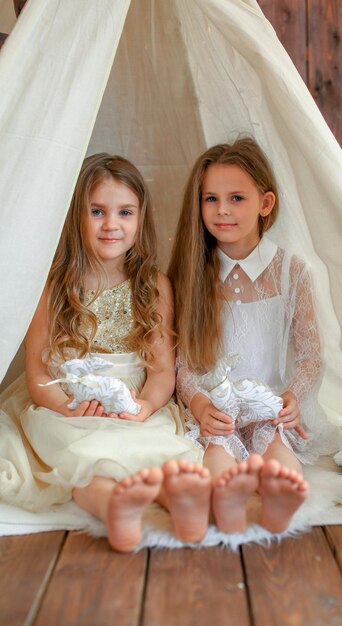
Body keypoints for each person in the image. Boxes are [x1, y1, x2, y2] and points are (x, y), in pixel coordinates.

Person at [0, 153, 211, 552]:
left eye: (124, 212)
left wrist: (146, 406)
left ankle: (180, 503)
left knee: (161, 453)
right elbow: (39, 373)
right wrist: (66, 408)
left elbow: (163, 370)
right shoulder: (52, 288)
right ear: (77, 216)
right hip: (68, 404)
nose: (111, 224)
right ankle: (114, 507)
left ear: (140, 218)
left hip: (132, 404)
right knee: (81, 457)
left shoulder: (154, 286)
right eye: (97, 211)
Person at [168, 137, 342, 535]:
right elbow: (181, 360)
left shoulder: (290, 272)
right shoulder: (190, 274)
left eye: (236, 198)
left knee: (278, 451)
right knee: (216, 454)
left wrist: (292, 398)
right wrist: (198, 404)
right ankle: (228, 499)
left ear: (264, 204)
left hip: (268, 403)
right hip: (216, 406)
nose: (222, 211)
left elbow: (309, 357)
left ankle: (281, 496)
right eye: (211, 199)